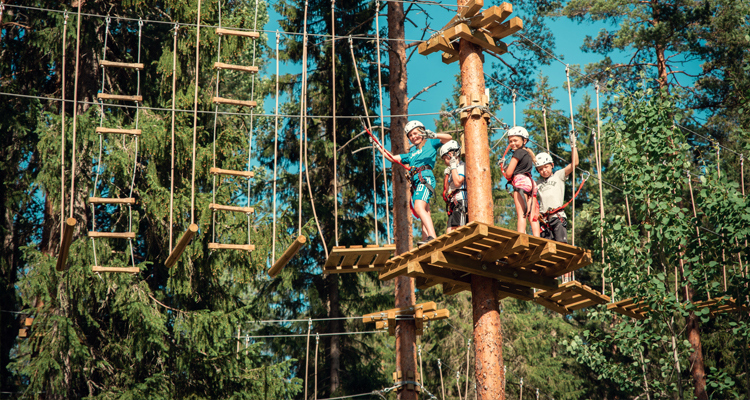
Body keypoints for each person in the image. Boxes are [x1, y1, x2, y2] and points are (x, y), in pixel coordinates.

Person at [372, 120, 452, 244]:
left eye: (415, 133)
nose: (413, 137)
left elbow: (448, 138)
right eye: (410, 135)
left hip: (425, 178)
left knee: (419, 207)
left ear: (422, 131)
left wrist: (434, 135)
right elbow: (392, 158)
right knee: (424, 212)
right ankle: (426, 239)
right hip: (416, 183)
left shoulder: (430, 143)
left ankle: (432, 236)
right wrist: (378, 146)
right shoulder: (411, 154)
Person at [535, 133, 579, 243]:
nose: (544, 170)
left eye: (546, 167)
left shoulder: (558, 176)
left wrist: (573, 145)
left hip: (557, 217)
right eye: (540, 169)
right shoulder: (537, 183)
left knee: (561, 244)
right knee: (546, 247)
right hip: (544, 220)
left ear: (552, 165)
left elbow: (575, 163)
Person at [501, 126, 540, 236]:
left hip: (521, 182)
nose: (512, 143)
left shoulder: (517, 153)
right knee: (532, 215)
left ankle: (521, 235)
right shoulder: (527, 154)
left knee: (522, 214)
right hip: (531, 183)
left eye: (515, 140)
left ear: (524, 141)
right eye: (510, 141)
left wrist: (505, 170)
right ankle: (537, 237)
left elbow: (509, 173)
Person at [440, 140, 467, 232]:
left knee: (460, 230)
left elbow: (457, 182)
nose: (445, 162)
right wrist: (447, 176)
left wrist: (453, 166)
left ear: (452, 154)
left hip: (461, 200)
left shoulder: (462, 166)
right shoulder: (452, 169)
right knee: (449, 231)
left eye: (445, 158)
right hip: (453, 203)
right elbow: (446, 190)